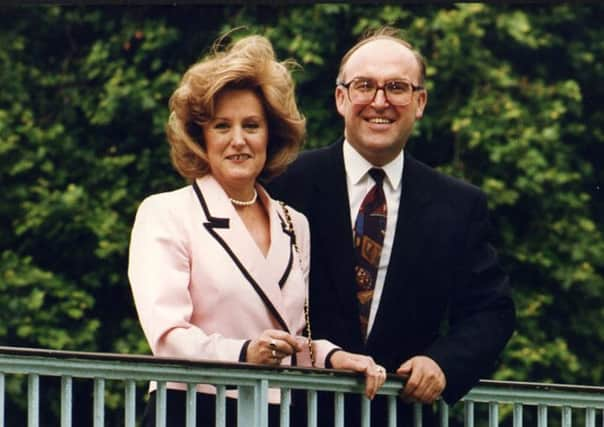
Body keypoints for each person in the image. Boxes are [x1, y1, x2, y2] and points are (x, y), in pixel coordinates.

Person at [127, 34, 387, 427]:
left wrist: (336, 357)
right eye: (221, 126)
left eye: (251, 125)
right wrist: (244, 353)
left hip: (272, 413)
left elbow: (290, 341)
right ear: (201, 137)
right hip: (191, 412)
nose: (238, 140)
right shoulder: (166, 212)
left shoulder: (293, 223)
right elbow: (167, 336)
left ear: (271, 135)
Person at [269, 27, 516, 426]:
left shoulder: (459, 204)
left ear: (419, 102)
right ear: (340, 98)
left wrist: (443, 363)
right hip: (295, 414)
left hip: (403, 415)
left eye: (397, 87)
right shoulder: (282, 184)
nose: (379, 101)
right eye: (364, 85)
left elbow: (492, 310)